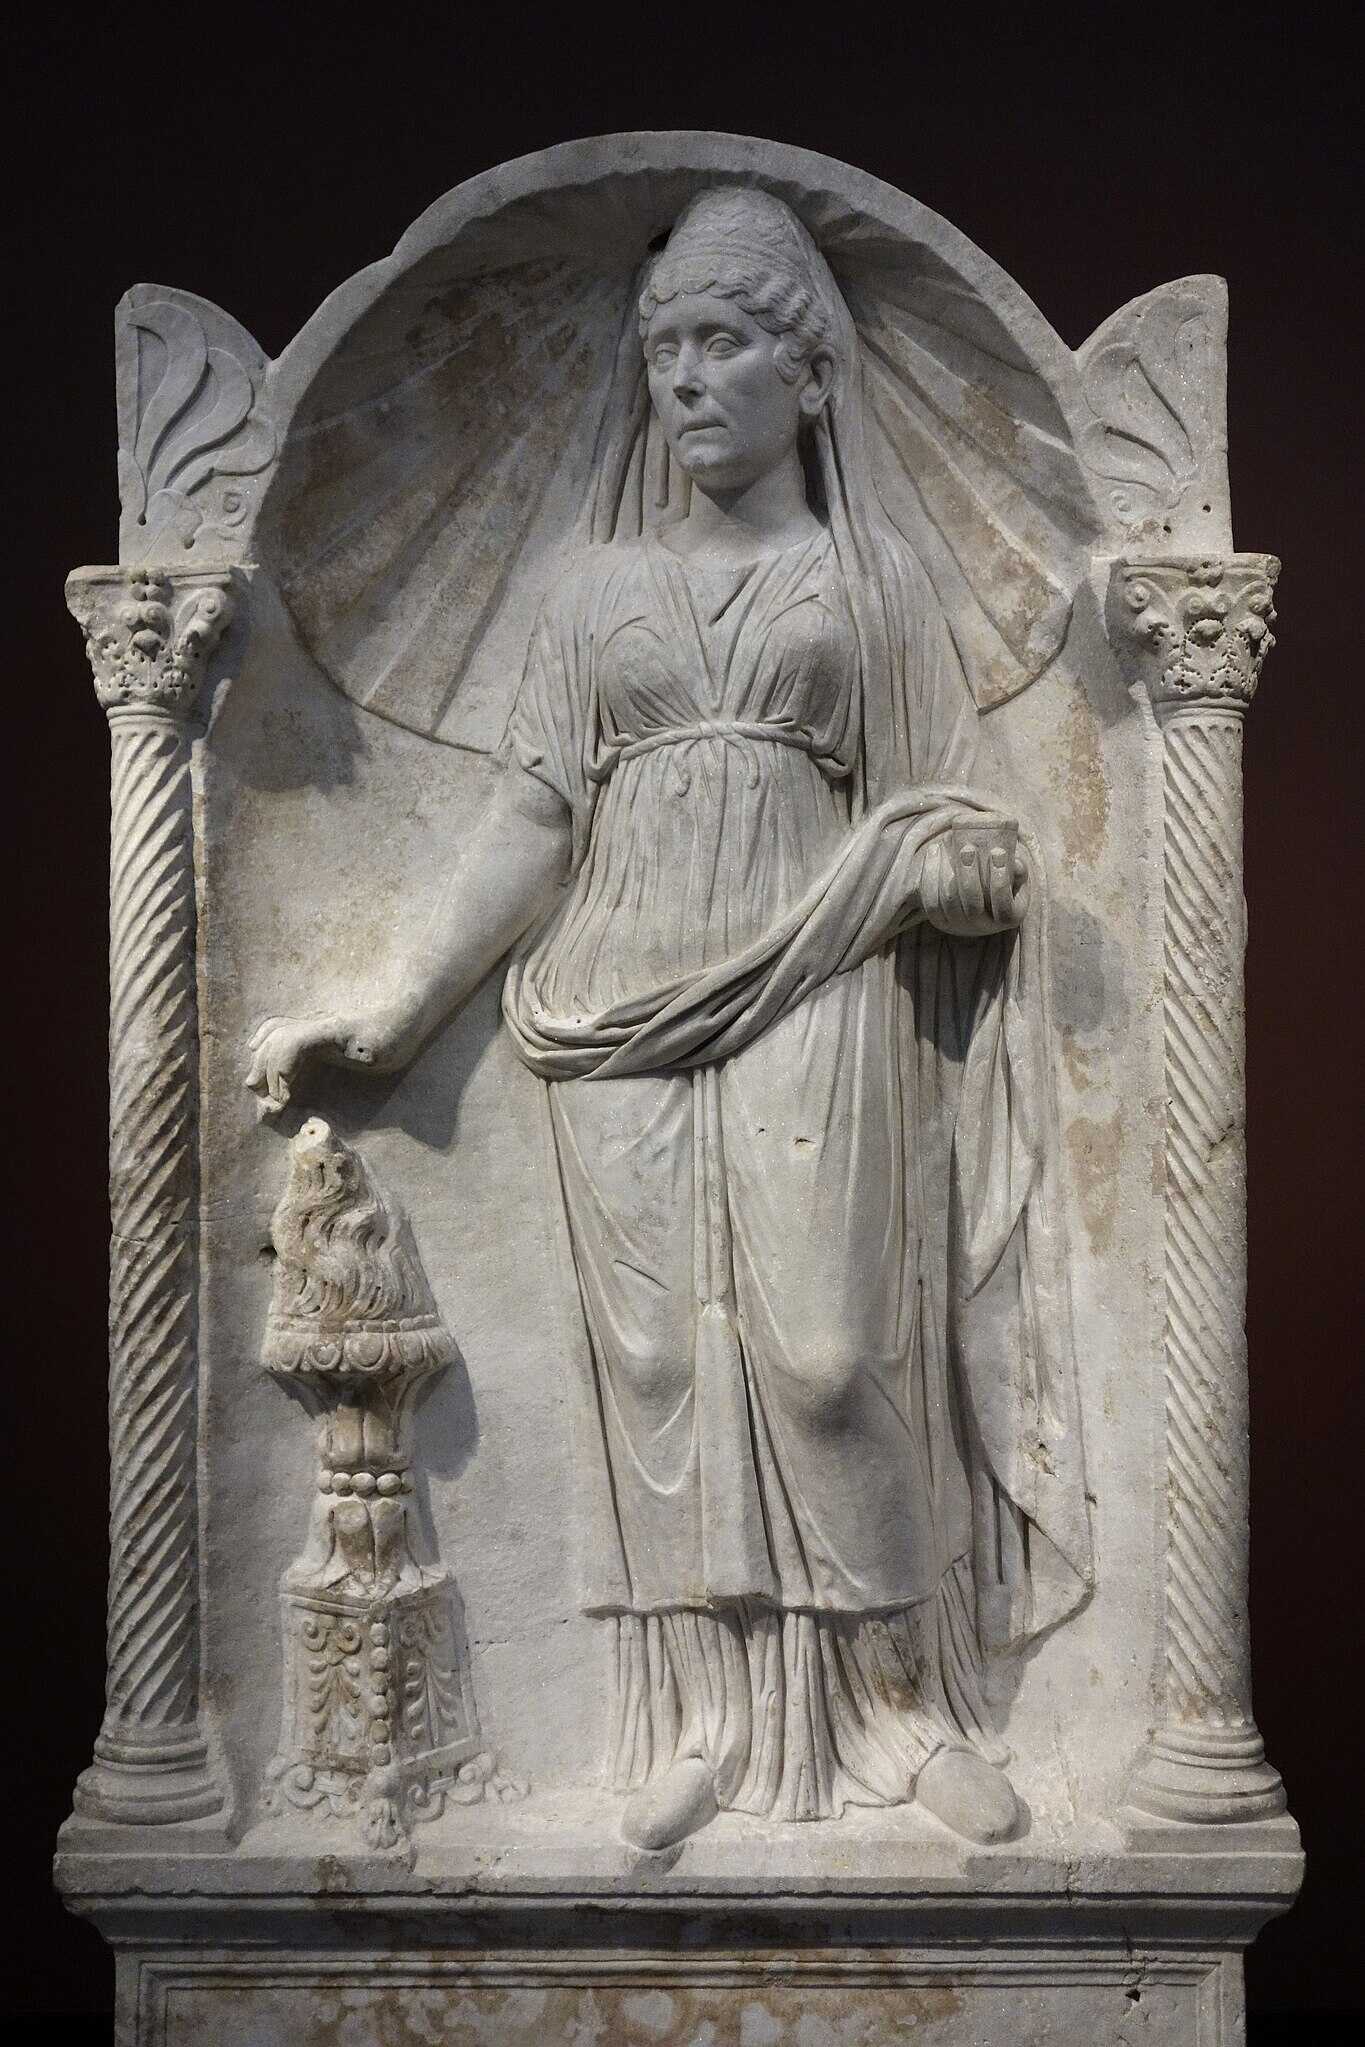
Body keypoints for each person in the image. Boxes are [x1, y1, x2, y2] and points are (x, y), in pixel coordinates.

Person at [248, 187, 1090, 1851]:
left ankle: (896, 1708)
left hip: (819, 980)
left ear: (809, 373)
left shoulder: (870, 577)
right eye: (664, 350)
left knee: (831, 1355)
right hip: (611, 1004)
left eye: (721, 343)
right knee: (658, 1366)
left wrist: (957, 872)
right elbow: (532, 819)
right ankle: (702, 1720)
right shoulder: (586, 592)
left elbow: (951, 812)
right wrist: (394, 1009)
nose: (686, 379)